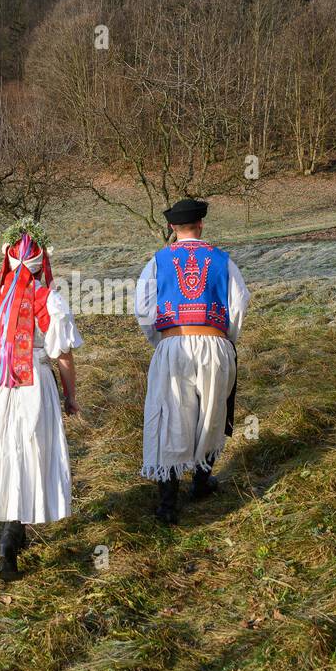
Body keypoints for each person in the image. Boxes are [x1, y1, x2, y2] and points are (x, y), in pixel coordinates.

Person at [0, 221, 82, 579]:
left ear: (7, 257)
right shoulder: (47, 298)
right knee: (30, 456)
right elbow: (63, 355)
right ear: (41, 261)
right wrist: (71, 396)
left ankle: (11, 534)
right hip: (34, 387)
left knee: (4, 456)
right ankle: (12, 536)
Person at [134, 198, 249, 524]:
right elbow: (239, 303)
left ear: (172, 227)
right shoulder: (222, 260)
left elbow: (143, 308)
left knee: (170, 414)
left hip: (174, 343)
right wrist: (226, 338)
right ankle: (200, 481)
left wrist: (161, 339)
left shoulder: (157, 261)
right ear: (201, 224)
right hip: (214, 343)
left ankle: (167, 505)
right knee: (211, 412)